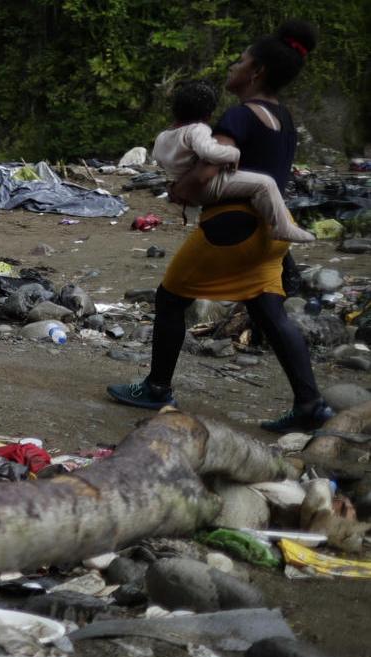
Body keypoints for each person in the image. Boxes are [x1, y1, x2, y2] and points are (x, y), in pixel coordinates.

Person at [109, 20, 332, 432]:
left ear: (256, 72)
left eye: (240, 61)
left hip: (233, 228)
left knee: (170, 298)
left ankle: (157, 388)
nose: (233, 66)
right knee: (268, 310)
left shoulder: (240, 115)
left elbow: (208, 171)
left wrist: (179, 190)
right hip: (273, 230)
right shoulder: (283, 117)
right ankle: (310, 404)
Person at [155, 82, 312, 242]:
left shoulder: (163, 136)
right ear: (208, 115)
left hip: (185, 187)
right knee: (265, 184)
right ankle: (282, 228)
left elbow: (159, 160)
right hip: (205, 187)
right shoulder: (197, 129)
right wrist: (234, 153)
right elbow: (209, 152)